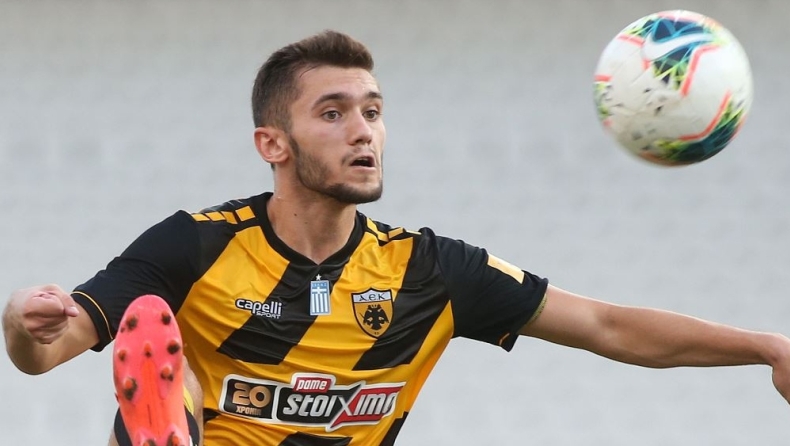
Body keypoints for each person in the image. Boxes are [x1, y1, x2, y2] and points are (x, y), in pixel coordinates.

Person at [3, 29, 790, 446]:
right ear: (273, 144)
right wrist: (19, 322)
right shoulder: (196, 246)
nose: (364, 131)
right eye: (334, 113)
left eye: (374, 112)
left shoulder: (430, 270)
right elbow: (48, 351)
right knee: (161, 387)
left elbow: (606, 326)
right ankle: (170, 427)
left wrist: (765, 347)